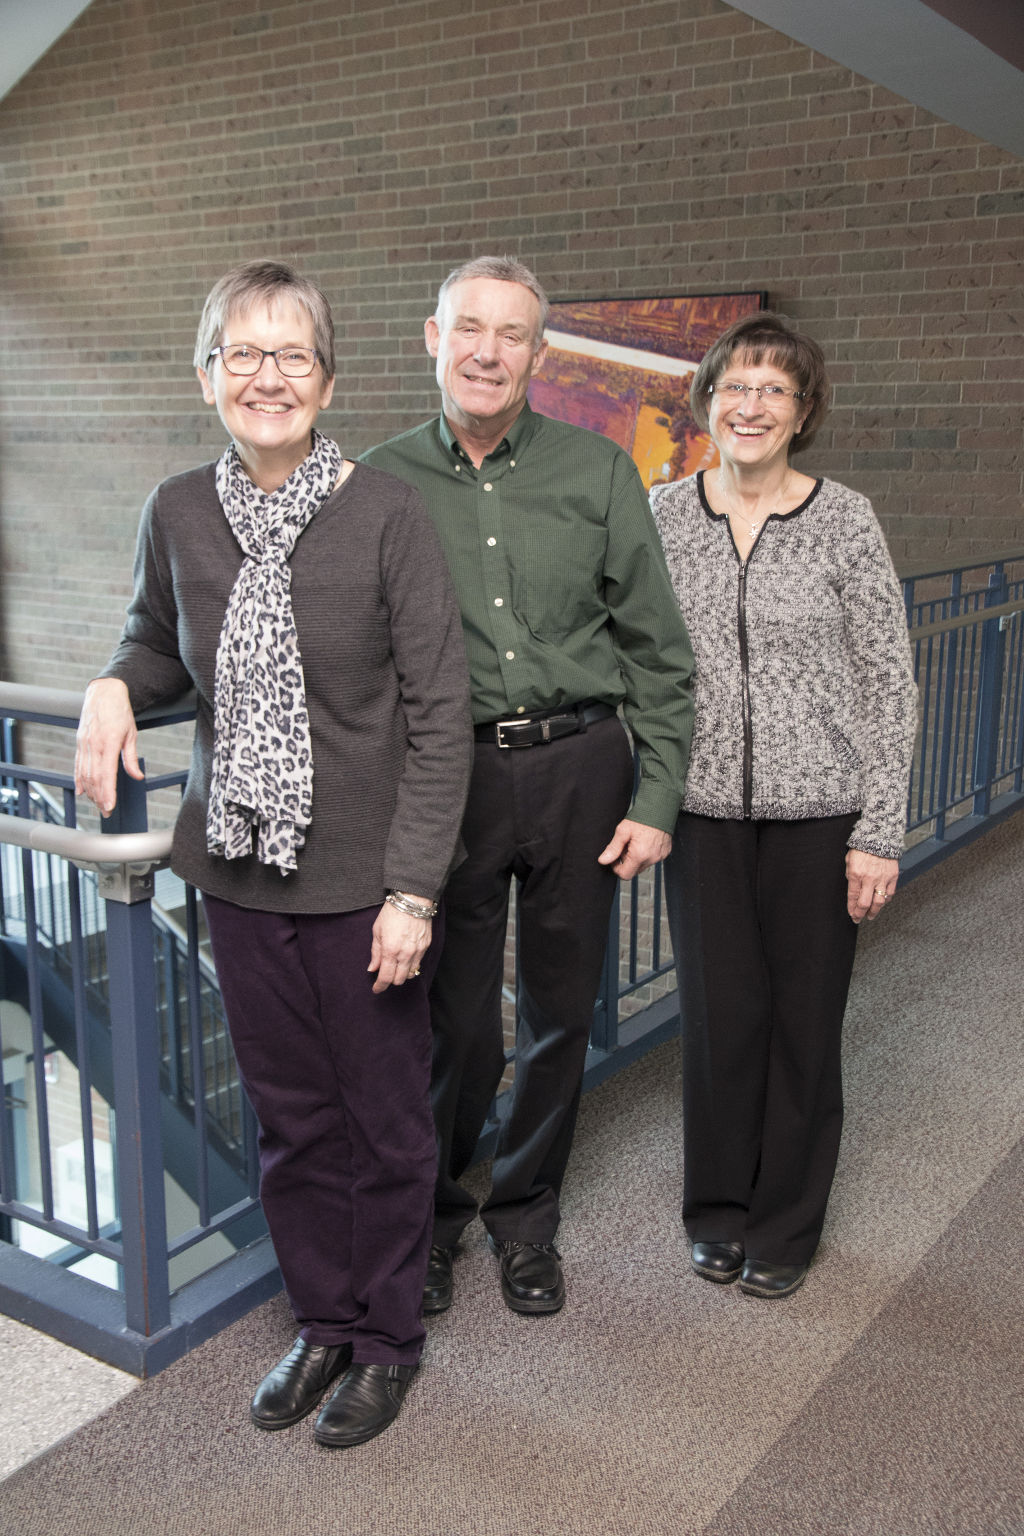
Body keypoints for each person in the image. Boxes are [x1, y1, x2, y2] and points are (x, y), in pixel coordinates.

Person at [74, 260, 472, 1445]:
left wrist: (413, 889)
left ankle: (387, 1340)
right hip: (239, 875)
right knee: (292, 1118)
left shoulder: (388, 512)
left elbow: (441, 717)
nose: (267, 376)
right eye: (241, 353)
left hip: (365, 883)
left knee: (387, 1120)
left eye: (291, 354)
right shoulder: (179, 511)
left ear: (329, 378)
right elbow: (159, 644)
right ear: (207, 380)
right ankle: (324, 1320)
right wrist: (109, 684)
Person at [361, 256, 694, 1316]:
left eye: (511, 335)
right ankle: (436, 1218)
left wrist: (655, 799)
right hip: (447, 777)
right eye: (469, 328)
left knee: (560, 1007)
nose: (487, 352)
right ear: (432, 337)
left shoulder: (598, 472)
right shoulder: (376, 483)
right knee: (455, 1024)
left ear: (538, 355)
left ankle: (524, 1218)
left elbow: (657, 649)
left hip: (580, 771)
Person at [650, 311, 918, 1299]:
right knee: (721, 1019)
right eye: (734, 386)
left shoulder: (844, 519)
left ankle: (786, 1222)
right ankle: (716, 1208)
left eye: (772, 389)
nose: (749, 405)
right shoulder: (662, 514)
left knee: (804, 1020)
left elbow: (891, 682)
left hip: (822, 817)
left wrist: (878, 829)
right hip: (702, 815)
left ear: (801, 410)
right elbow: (634, 658)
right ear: (708, 403)